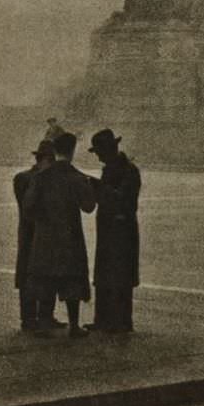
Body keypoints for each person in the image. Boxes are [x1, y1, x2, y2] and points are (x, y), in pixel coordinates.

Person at [23, 132, 96, 338]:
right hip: (70, 237)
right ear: (72, 151)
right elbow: (89, 207)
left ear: (54, 151)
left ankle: (44, 323)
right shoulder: (77, 178)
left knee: (45, 279)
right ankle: (74, 325)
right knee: (72, 280)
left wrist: (43, 220)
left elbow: (28, 207)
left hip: (45, 236)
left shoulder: (40, 178)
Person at [85, 129, 141, 333]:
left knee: (120, 276)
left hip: (121, 230)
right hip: (112, 229)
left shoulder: (128, 170)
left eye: (99, 151)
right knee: (106, 274)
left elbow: (123, 200)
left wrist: (97, 187)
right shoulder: (114, 168)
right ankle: (104, 319)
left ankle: (121, 321)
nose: (98, 156)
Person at [13, 140, 66, 331]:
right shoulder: (27, 178)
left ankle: (42, 316)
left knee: (45, 273)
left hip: (37, 233)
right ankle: (30, 318)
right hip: (33, 233)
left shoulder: (26, 177)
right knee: (32, 274)